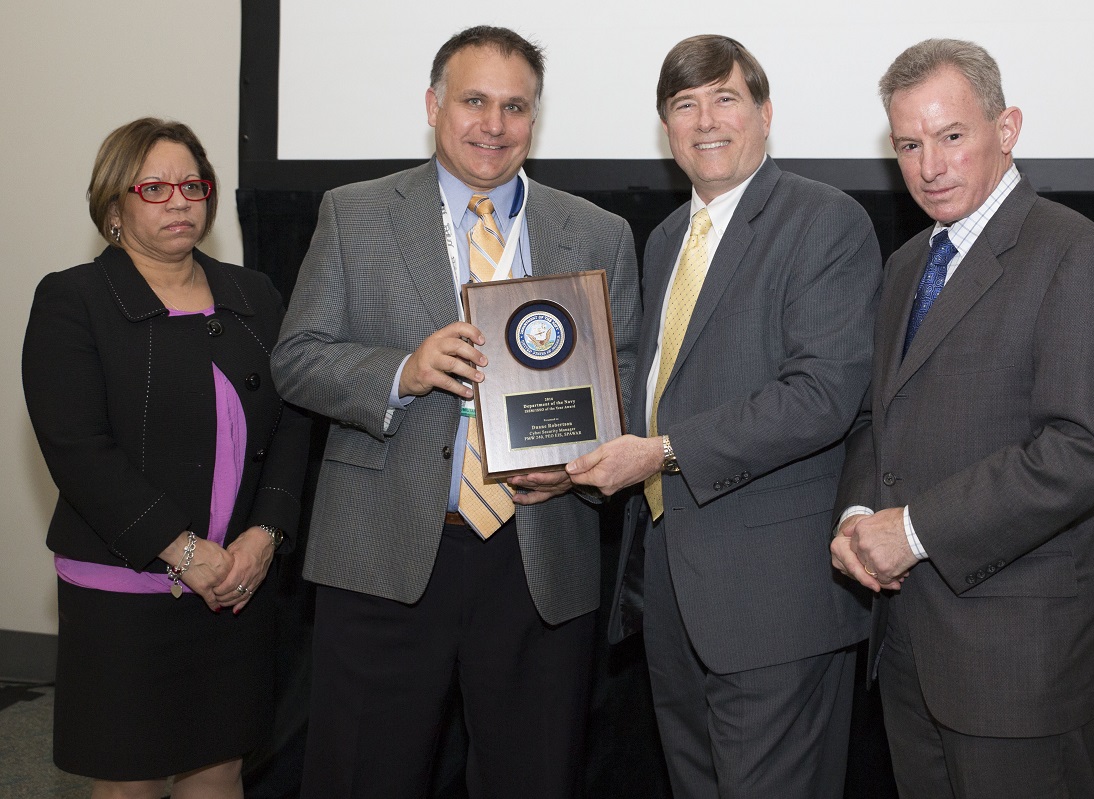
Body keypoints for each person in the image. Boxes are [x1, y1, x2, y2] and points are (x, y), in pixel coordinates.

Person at [271, 25, 640, 799]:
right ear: (434, 105)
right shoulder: (356, 214)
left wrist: (578, 462)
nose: (493, 125)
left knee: (533, 779)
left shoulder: (596, 232)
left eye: (515, 107)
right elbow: (296, 358)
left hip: (537, 556)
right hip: (383, 550)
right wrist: (402, 369)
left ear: (535, 120)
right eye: (474, 101)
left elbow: (625, 380)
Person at [567, 34, 880, 798]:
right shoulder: (669, 236)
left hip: (772, 601)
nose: (706, 119)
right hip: (672, 591)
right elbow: (656, 386)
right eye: (684, 104)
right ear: (666, 129)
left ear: (765, 114)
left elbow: (822, 396)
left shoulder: (824, 220)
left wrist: (661, 452)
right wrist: (576, 444)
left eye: (725, 97)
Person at [830, 39, 1094, 798]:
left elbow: (1086, 449)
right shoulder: (908, 264)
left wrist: (910, 530)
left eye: (951, 136)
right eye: (908, 144)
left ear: (1007, 130)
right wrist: (859, 513)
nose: (929, 165)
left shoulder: (1073, 252)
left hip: (1022, 662)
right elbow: (882, 416)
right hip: (909, 650)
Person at [21, 118, 310, 799]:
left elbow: (294, 425)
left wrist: (264, 537)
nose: (179, 200)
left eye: (192, 184)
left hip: (238, 583)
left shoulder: (255, 295)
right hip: (127, 587)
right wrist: (182, 549)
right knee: (132, 777)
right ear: (114, 207)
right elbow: (77, 448)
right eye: (154, 187)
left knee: (220, 766)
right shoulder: (74, 300)